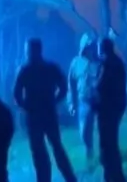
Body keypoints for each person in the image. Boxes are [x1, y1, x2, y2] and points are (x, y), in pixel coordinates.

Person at [13, 38, 76, 182]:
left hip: (37, 115)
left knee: (42, 150)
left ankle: (47, 179)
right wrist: (55, 100)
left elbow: (16, 95)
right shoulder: (47, 68)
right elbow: (63, 87)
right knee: (54, 147)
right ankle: (69, 178)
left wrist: (26, 106)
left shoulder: (26, 70)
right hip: (46, 113)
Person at [93, 37, 127, 182]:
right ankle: (116, 175)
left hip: (107, 108)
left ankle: (112, 176)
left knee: (107, 143)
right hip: (117, 106)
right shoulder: (118, 62)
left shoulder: (106, 63)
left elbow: (101, 84)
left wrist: (93, 95)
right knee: (111, 141)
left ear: (102, 48)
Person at [67, 32, 100, 161]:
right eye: (88, 46)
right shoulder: (76, 63)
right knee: (84, 130)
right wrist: (71, 103)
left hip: (99, 101)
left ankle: (102, 157)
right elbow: (71, 83)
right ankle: (89, 152)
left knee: (101, 130)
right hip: (84, 101)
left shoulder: (100, 62)